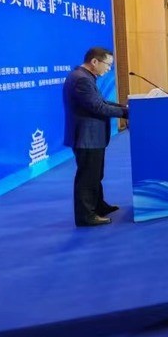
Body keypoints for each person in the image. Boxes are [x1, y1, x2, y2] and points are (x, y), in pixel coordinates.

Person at [63, 47, 129, 227]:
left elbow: (100, 101)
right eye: (107, 64)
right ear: (94, 62)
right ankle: (86, 215)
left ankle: (98, 205)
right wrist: (125, 113)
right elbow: (98, 107)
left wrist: (123, 107)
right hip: (87, 137)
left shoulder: (85, 77)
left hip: (92, 137)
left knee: (96, 174)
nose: (108, 69)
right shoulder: (81, 79)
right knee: (87, 177)